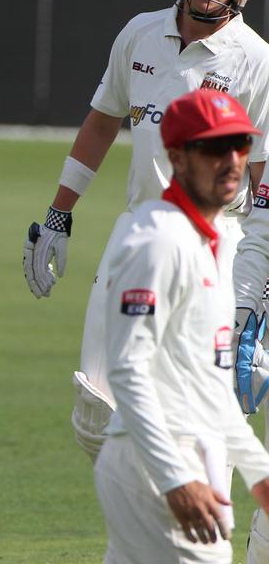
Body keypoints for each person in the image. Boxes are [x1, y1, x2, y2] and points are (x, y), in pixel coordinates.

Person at [22, 0, 269, 460]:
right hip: (138, 231)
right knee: (96, 411)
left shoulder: (255, 59)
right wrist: (60, 213)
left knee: (205, 416)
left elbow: (264, 178)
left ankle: (196, 535)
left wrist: (259, 288)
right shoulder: (139, 33)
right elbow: (103, 121)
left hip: (215, 245)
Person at [95, 88, 269, 564]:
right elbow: (128, 370)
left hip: (184, 457)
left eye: (240, 145)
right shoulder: (159, 241)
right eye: (213, 148)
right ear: (176, 157)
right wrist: (175, 478)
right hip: (157, 467)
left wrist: (258, 472)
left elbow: (210, 384)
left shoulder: (203, 245)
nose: (232, 160)